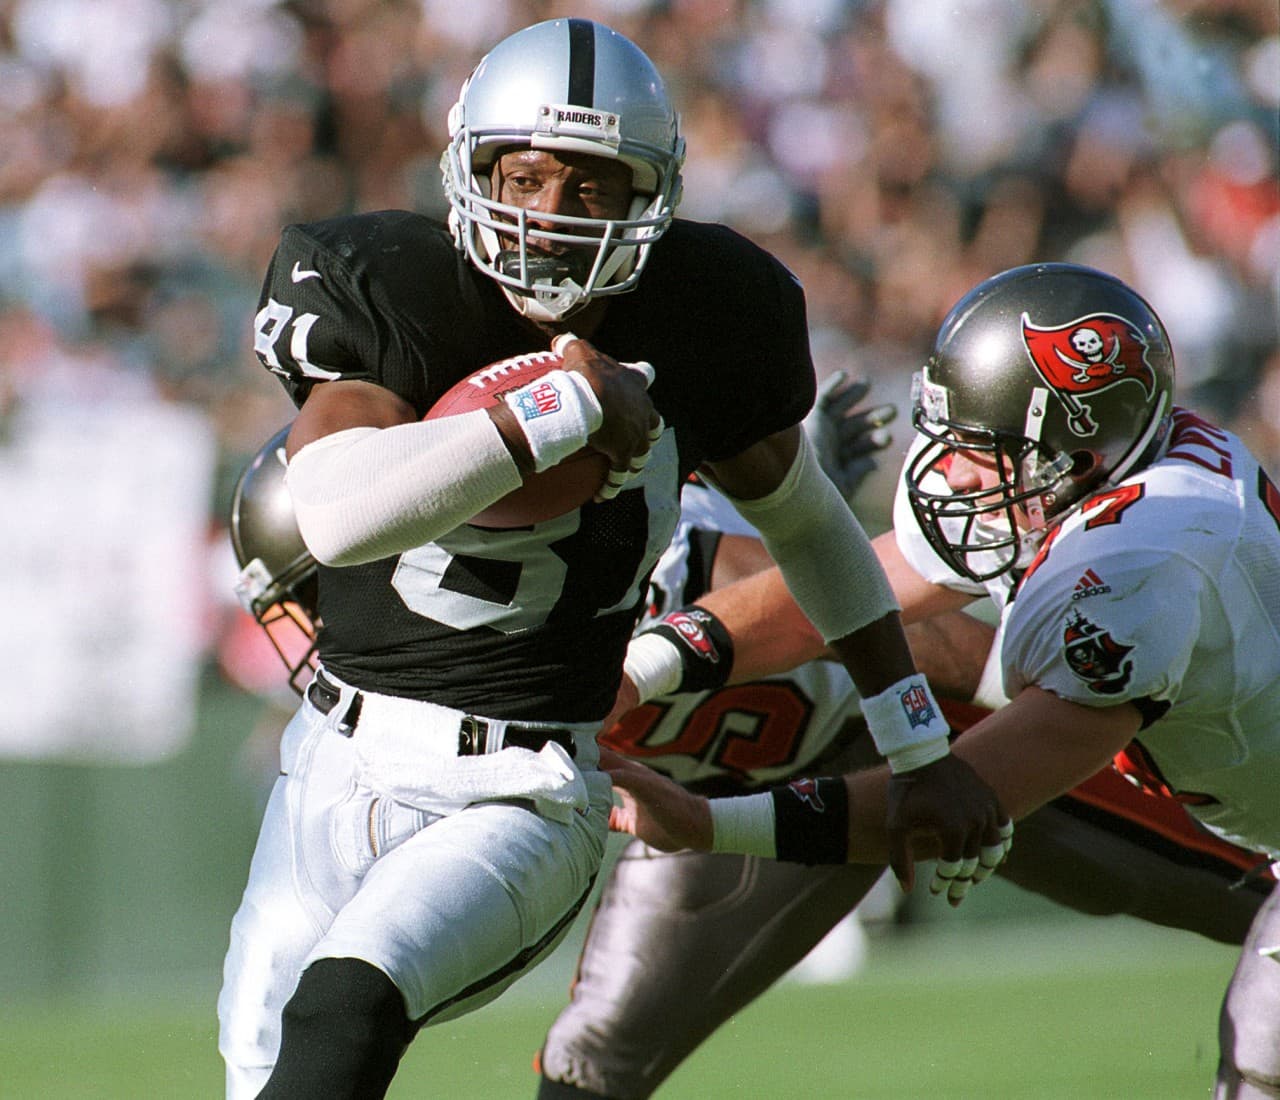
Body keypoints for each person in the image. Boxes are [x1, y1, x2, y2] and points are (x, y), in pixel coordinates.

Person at [216, 19, 1008, 1099]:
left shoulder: (706, 310)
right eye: (523, 174)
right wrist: (560, 403)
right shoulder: (386, 282)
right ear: (468, 165)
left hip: (520, 785)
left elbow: (813, 528)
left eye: (588, 185)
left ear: (651, 192)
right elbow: (337, 515)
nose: (546, 213)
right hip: (331, 759)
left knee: (341, 1009)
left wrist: (915, 745)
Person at [227, 373, 1269, 1100]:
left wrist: (1032, 707)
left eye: (314, 597)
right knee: (592, 1056)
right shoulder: (397, 723)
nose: (313, 634)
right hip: (717, 804)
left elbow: (886, 621)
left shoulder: (625, 558)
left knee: (1235, 891)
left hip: (909, 751)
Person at [603, 262, 1280, 1098]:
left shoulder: (1136, 568)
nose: (953, 471)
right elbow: (838, 598)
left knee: (1261, 1050)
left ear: (1082, 443)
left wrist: (706, 823)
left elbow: (951, 801)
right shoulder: (1125, 467)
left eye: (985, 448)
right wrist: (638, 670)